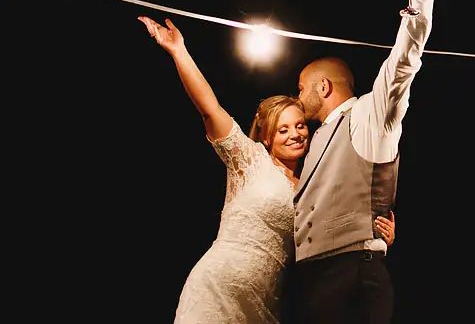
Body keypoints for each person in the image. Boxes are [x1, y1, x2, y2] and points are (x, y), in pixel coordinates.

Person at [140, 16, 399, 324]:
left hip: (266, 302)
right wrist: (178, 50)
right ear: (266, 137)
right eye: (283, 129)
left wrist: (376, 234)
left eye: (300, 126)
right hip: (218, 288)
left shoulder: (311, 186)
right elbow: (209, 109)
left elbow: (339, 229)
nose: (295, 135)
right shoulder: (249, 160)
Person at [283, 0, 437, 324]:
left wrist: (420, 0)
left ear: (323, 87)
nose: (298, 96)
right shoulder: (313, 139)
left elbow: (402, 64)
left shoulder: (369, 115)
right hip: (311, 281)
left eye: (301, 88)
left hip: (351, 275)